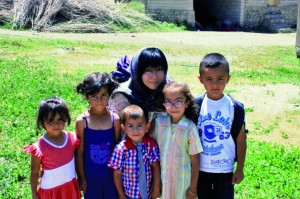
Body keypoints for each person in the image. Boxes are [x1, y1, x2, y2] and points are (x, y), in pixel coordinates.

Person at [196, 53, 247, 199]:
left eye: (220, 79)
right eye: (209, 79)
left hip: (225, 169)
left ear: (228, 78)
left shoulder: (234, 107)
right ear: (200, 80)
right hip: (200, 168)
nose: (215, 84)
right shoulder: (195, 105)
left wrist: (240, 169)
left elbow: (241, 140)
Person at [151, 81, 203, 199]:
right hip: (162, 184)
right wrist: (154, 185)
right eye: (168, 102)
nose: (173, 107)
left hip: (183, 186)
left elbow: (195, 160)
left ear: (186, 103)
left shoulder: (190, 128)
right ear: (163, 103)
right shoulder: (159, 122)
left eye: (178, 102)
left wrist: (193, 189)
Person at [24, 97, 81, 199]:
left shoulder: (72, 138)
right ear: (42, 122)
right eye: (50, 121)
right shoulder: (39, 148)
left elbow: (78, 161)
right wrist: (34, 193)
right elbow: (34, 172)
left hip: (70, 188)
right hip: (50, 192)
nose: (56, 124)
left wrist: (82, 179)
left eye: (60, 120)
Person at [75, 72, 121, 199]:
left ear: (110, 95)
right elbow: (79, 152)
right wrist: (82, 178)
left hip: (111, 177)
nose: (99, 100)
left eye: (103, 95)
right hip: (91, 177)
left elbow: (118, 149)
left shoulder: (115, 119)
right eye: (94, 96)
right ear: (87, 96)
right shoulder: (82, 121)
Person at [108, 105, 161, 199]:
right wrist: (121, 194)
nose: (135, 130)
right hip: (129, 195)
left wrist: (156, 187)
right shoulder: (120, 149)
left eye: (140, 125)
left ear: (147, 127)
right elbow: (117, 172)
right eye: (130, 126)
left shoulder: (151, 144)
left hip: (148, 194)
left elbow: (156, 166)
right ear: (124, 128)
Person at [109, 47, 169, 122]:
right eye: (149, 70)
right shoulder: (121, 96)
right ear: (137, 72)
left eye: (159, 69)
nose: (155, 76)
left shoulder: (171, 91)